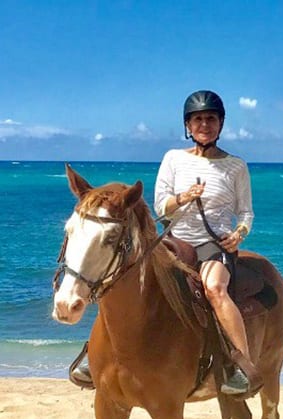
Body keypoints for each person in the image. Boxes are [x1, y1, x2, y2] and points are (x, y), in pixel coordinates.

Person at [71, 90, 255, 395]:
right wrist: (184, 198)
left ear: (221, 124)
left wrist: (239, 234)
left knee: (215, 290)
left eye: (211, 119)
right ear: (188, 126)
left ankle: (240, 366)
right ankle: (95, 355)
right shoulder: (173, 159)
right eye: (198, 119)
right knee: (122, 279)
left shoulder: (236, 166)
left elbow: (245, 212)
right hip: (174, 240)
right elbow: (160, 206)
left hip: (214, 244)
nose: (204, 124)